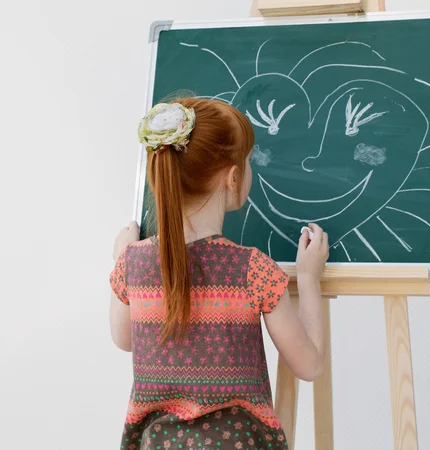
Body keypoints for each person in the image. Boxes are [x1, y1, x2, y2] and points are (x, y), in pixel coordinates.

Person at [109, 99, 329, 450]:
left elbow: (125, 339)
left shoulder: (132, 263)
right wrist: (308, 278)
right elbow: (310, 366)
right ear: (233, 177)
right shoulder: (252, 271)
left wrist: (122, 256)